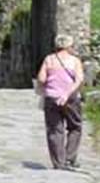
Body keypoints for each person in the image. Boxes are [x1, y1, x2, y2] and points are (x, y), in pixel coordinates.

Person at [36, 34, 85, 170]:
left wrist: (44, 90)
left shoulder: (49, 59)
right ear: (69, 46)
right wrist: (67, 93)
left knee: (54, 130)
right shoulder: (75, 61)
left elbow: (41, 79)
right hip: (70, 98)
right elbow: (79, 79)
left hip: (51, 98)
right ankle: (69, 158)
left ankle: (58, 162)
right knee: (75, 127)